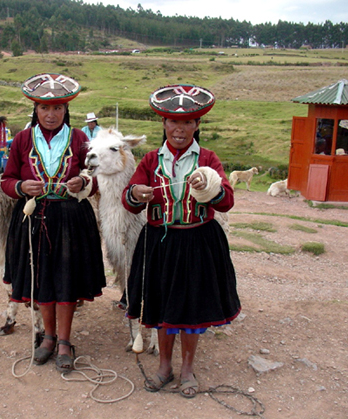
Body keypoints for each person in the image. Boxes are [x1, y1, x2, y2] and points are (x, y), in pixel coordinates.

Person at [121, 84, 241, 398]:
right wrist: (136, 193)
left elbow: (226, 200)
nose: (180, 128)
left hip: (198, 242)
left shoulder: (209, 159)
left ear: (197, 125)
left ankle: (187, 369)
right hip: (160, 244)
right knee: (161, 307)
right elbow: (129, 200)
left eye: (188, 122)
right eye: (173, 122)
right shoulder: (150, 161)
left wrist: (210, 187)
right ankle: (164, 366)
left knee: (192, 310)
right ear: (163, 123)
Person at [1, 73, 106, 372]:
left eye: (57, 108)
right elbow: (6, 180)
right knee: (41, 280)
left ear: (66, 110)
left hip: (71, 220)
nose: (51, 114)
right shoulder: (22, 139)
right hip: (33, 220)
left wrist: (81, 182)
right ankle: (47, 338)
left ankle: (64, 341)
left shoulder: (79, 139)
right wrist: (21, 187)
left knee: (66, 280)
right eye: (45, 108)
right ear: (35, 109)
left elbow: (93, 180)